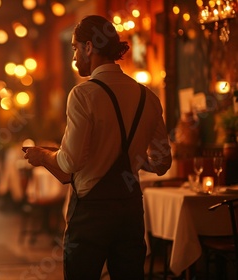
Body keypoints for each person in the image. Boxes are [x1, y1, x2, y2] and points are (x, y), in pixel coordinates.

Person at [23, 15, 172, 279]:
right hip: (130, 211)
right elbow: (162, 163)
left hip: (91, 214)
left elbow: (70, 163)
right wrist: (134, 157)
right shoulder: (147, 96)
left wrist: (42, 155)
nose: (73, 57)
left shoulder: (83, 94)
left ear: (89, 47)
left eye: (74, 48)